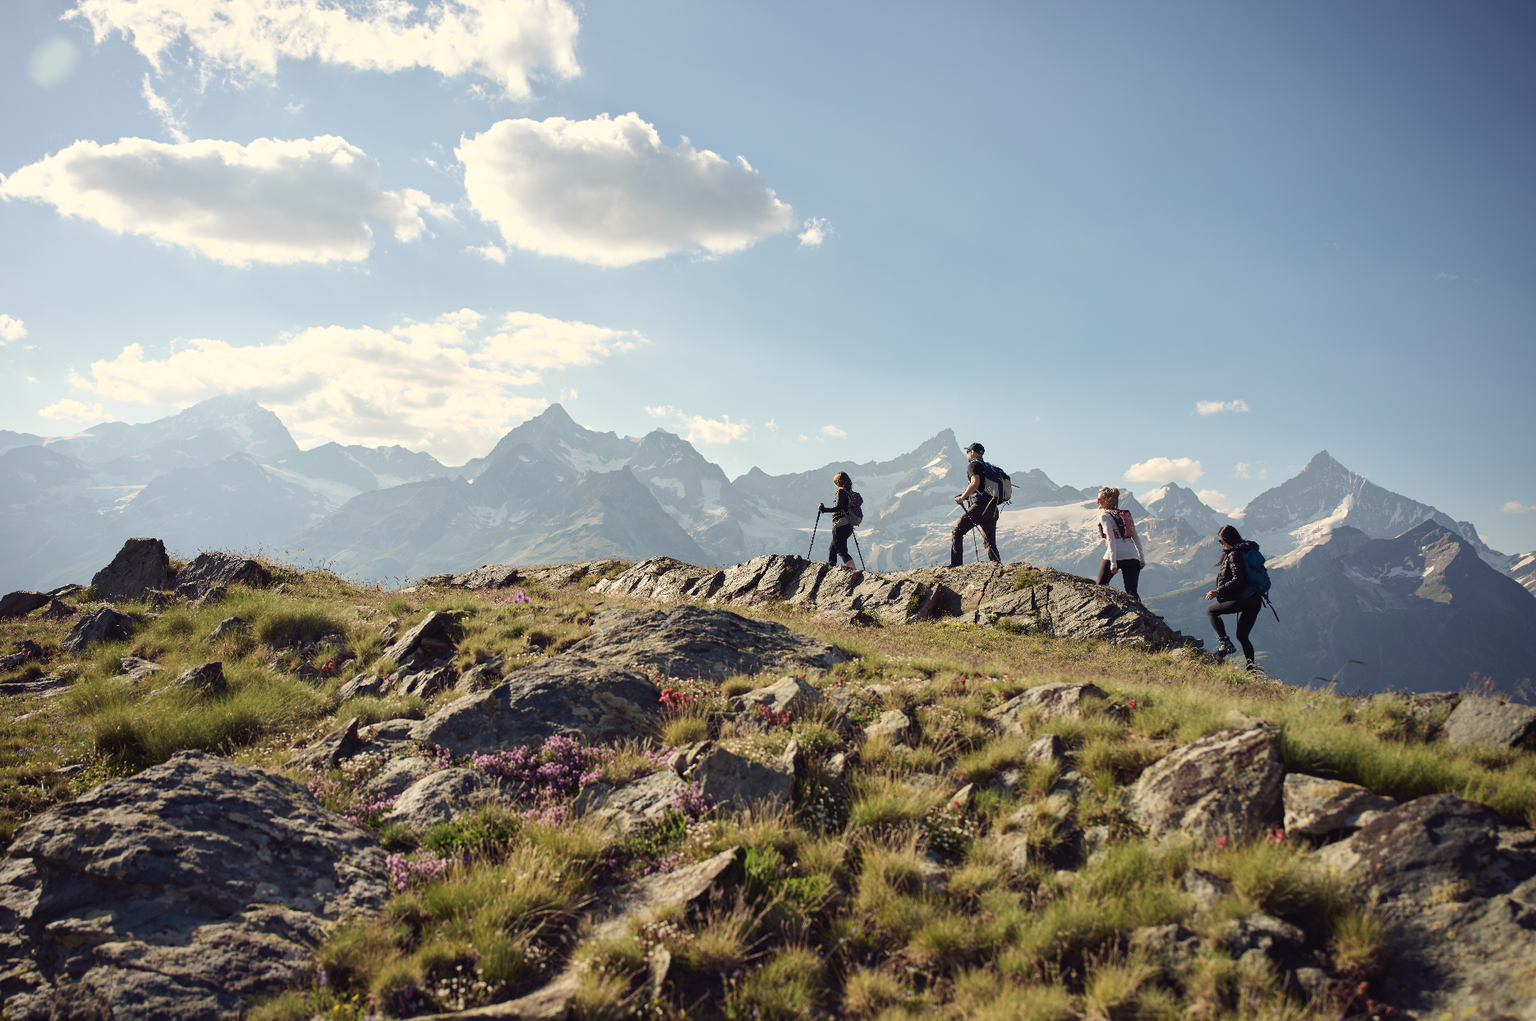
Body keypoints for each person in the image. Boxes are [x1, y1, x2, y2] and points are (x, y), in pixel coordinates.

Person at [1205, 524, 1263, 670]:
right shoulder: (1248, 551)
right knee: (1242, 636)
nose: (1221, 544)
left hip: (1244, 599)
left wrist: (1219, 591)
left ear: (1227, 539)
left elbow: (1239, 579)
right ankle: (1251, 667)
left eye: (1220, 541)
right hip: (1256, 599)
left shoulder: (1235, 554)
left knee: (1212, 611)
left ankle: (1224, 642)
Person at [951, 443, 1002, 567]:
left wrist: (962, 498)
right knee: (990, 542)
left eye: (968, 452)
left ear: (972, 452)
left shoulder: (973, 465)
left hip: (980, 507)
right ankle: (997, 567)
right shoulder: (988, 467)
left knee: (957, 532)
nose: (967, 454)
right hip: (993, 509)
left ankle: (956, 566)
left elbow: (975, 483)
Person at [1095, 487, 1147, 600]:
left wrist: (1113, 563)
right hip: (1132, 556)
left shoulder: (1104, 516)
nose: (1097, 501)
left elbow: (1111, 539)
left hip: (1116, 554)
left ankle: (1109, 611)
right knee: (1132, 592)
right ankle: (1138, 616)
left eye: (1099, 499)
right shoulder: (1125, 515)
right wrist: (1141, 559)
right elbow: (1136, 537)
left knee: (1101, 585)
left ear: (1107, 500)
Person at [817, 471, 857, 567]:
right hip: (848, 526)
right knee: (833, 549)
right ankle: (831, 570)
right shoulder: (849, 493)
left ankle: (855, 573)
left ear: (838, 482)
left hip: (840, 525)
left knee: (842, 551)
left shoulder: (841, 492)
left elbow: (838, 508)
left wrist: (823, 509)